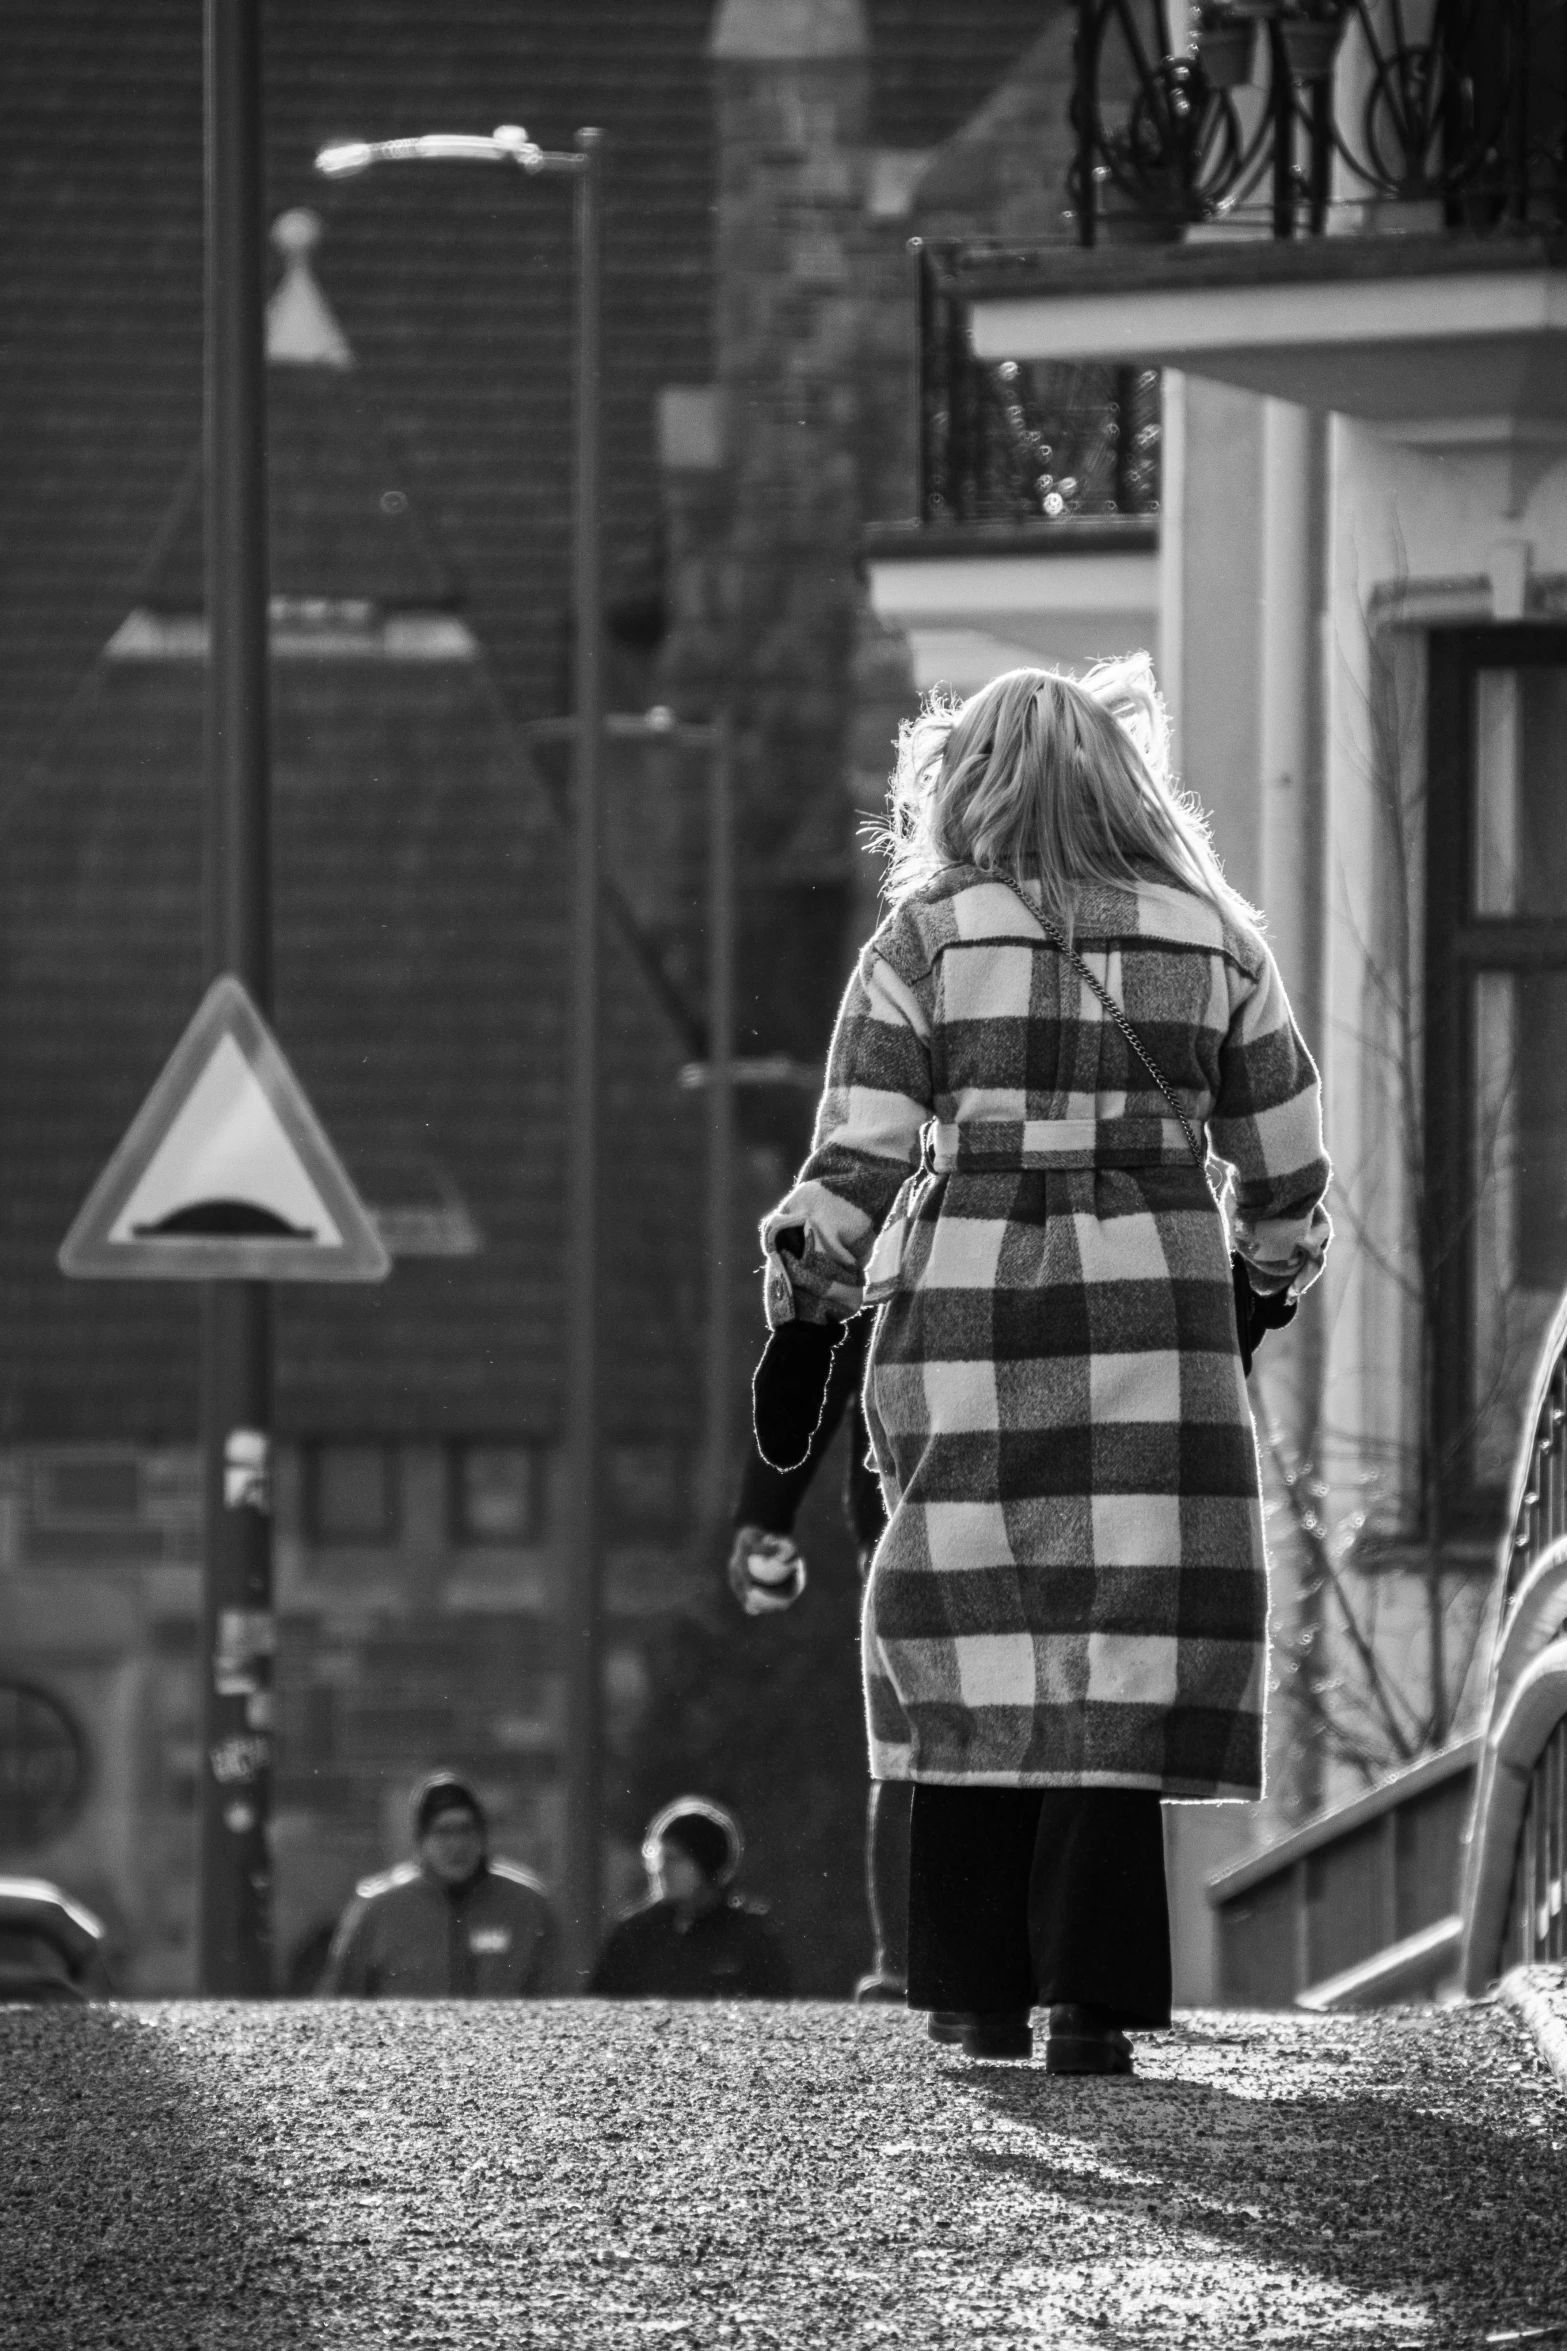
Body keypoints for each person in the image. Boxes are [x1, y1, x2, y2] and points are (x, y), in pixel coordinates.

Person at [751, 658, 1330, 2072]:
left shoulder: (922, 940)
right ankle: (1091, 1995)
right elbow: (1285, 1160)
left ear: (966, 781)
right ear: (1116, 776)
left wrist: (802, 1309)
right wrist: (1259, 1278)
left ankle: (968, 1985)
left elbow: (859, 1154)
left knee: (975, 1622)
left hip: (970, 1315)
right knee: (1119, 1636)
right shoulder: (1210, 938)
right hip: (1154, 1313)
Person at [727, 1317, 912, 2004]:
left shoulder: (890, 1218)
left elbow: (821, 1354)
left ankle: (908, 1963)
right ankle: (917, 1960)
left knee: (913, 1752)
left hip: (906, 1520)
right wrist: (765, 1511)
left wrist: (765, 1513)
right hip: (915, 1523)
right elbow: (824, 1357)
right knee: (927, 1748)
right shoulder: (898, 1216)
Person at [320, 1770, 560, 1998]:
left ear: (482, 1835)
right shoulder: (379, 1910)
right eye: (443, 1832)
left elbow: (558, 1998)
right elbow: (337, 2004)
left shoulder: (527, 1906)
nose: (456, 1844)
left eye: (466, 1830)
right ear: (421, 1840)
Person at [589, 1796, 793, 1998]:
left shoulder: (750, 1939)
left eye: (674, 1859)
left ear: (706, 1865)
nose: (661, 1869)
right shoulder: (634, 1937)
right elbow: (600, 2010)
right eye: (658, 1858)